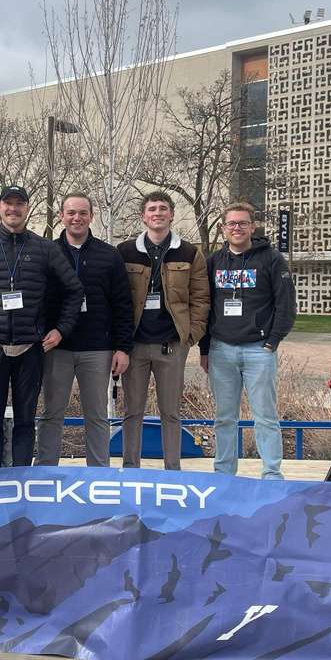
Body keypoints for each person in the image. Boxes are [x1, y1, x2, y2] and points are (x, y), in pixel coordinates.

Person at [0, 185, 83, 468]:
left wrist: (60, 329)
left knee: (25, 422)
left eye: (19, 204)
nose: (13, 209)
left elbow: (74, 291)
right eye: (8, 204)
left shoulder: (45, 248)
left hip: (30, 347)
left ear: (27, 208)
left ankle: (22, 483)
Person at [199, 202, 297, 480]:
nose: (237, 228)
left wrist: (273, 341)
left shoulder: (272, 259)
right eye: (231, 224)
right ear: (223, 228)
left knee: (265, 415)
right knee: (224, 417)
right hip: (222, 350)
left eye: (243, 223)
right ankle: (224, 472)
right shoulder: (214, 262)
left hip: (259, 350)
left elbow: (286, 304)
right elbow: (205, 307)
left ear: (252, 227)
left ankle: (271, 473)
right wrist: (205, 349)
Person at [34, 192, 133, 467]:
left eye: (82, 213)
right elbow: (38, 301)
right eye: (71, 213)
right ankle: (45, 472)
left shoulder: (109, 255)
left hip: (97, 348)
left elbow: (123, 304)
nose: (76, 218)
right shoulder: (47, 252)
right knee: (52, 413)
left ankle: (98, 474)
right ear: (62, 216)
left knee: (97, 415)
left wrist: (123, 348)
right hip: (57, 348)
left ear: (91, 216)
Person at [117, 191, 210, 470]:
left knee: (171, 412)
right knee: (132, 411)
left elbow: (201, 297)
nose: (157, 213)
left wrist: (190, 335)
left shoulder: (190, 253)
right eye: (152, 209)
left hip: (171, 345)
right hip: (135, 346)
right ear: (143, 216)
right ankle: (131, 468)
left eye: (163, 208)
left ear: (171, 214)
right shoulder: (125, 252)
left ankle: (173, 471)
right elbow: (116, 298)